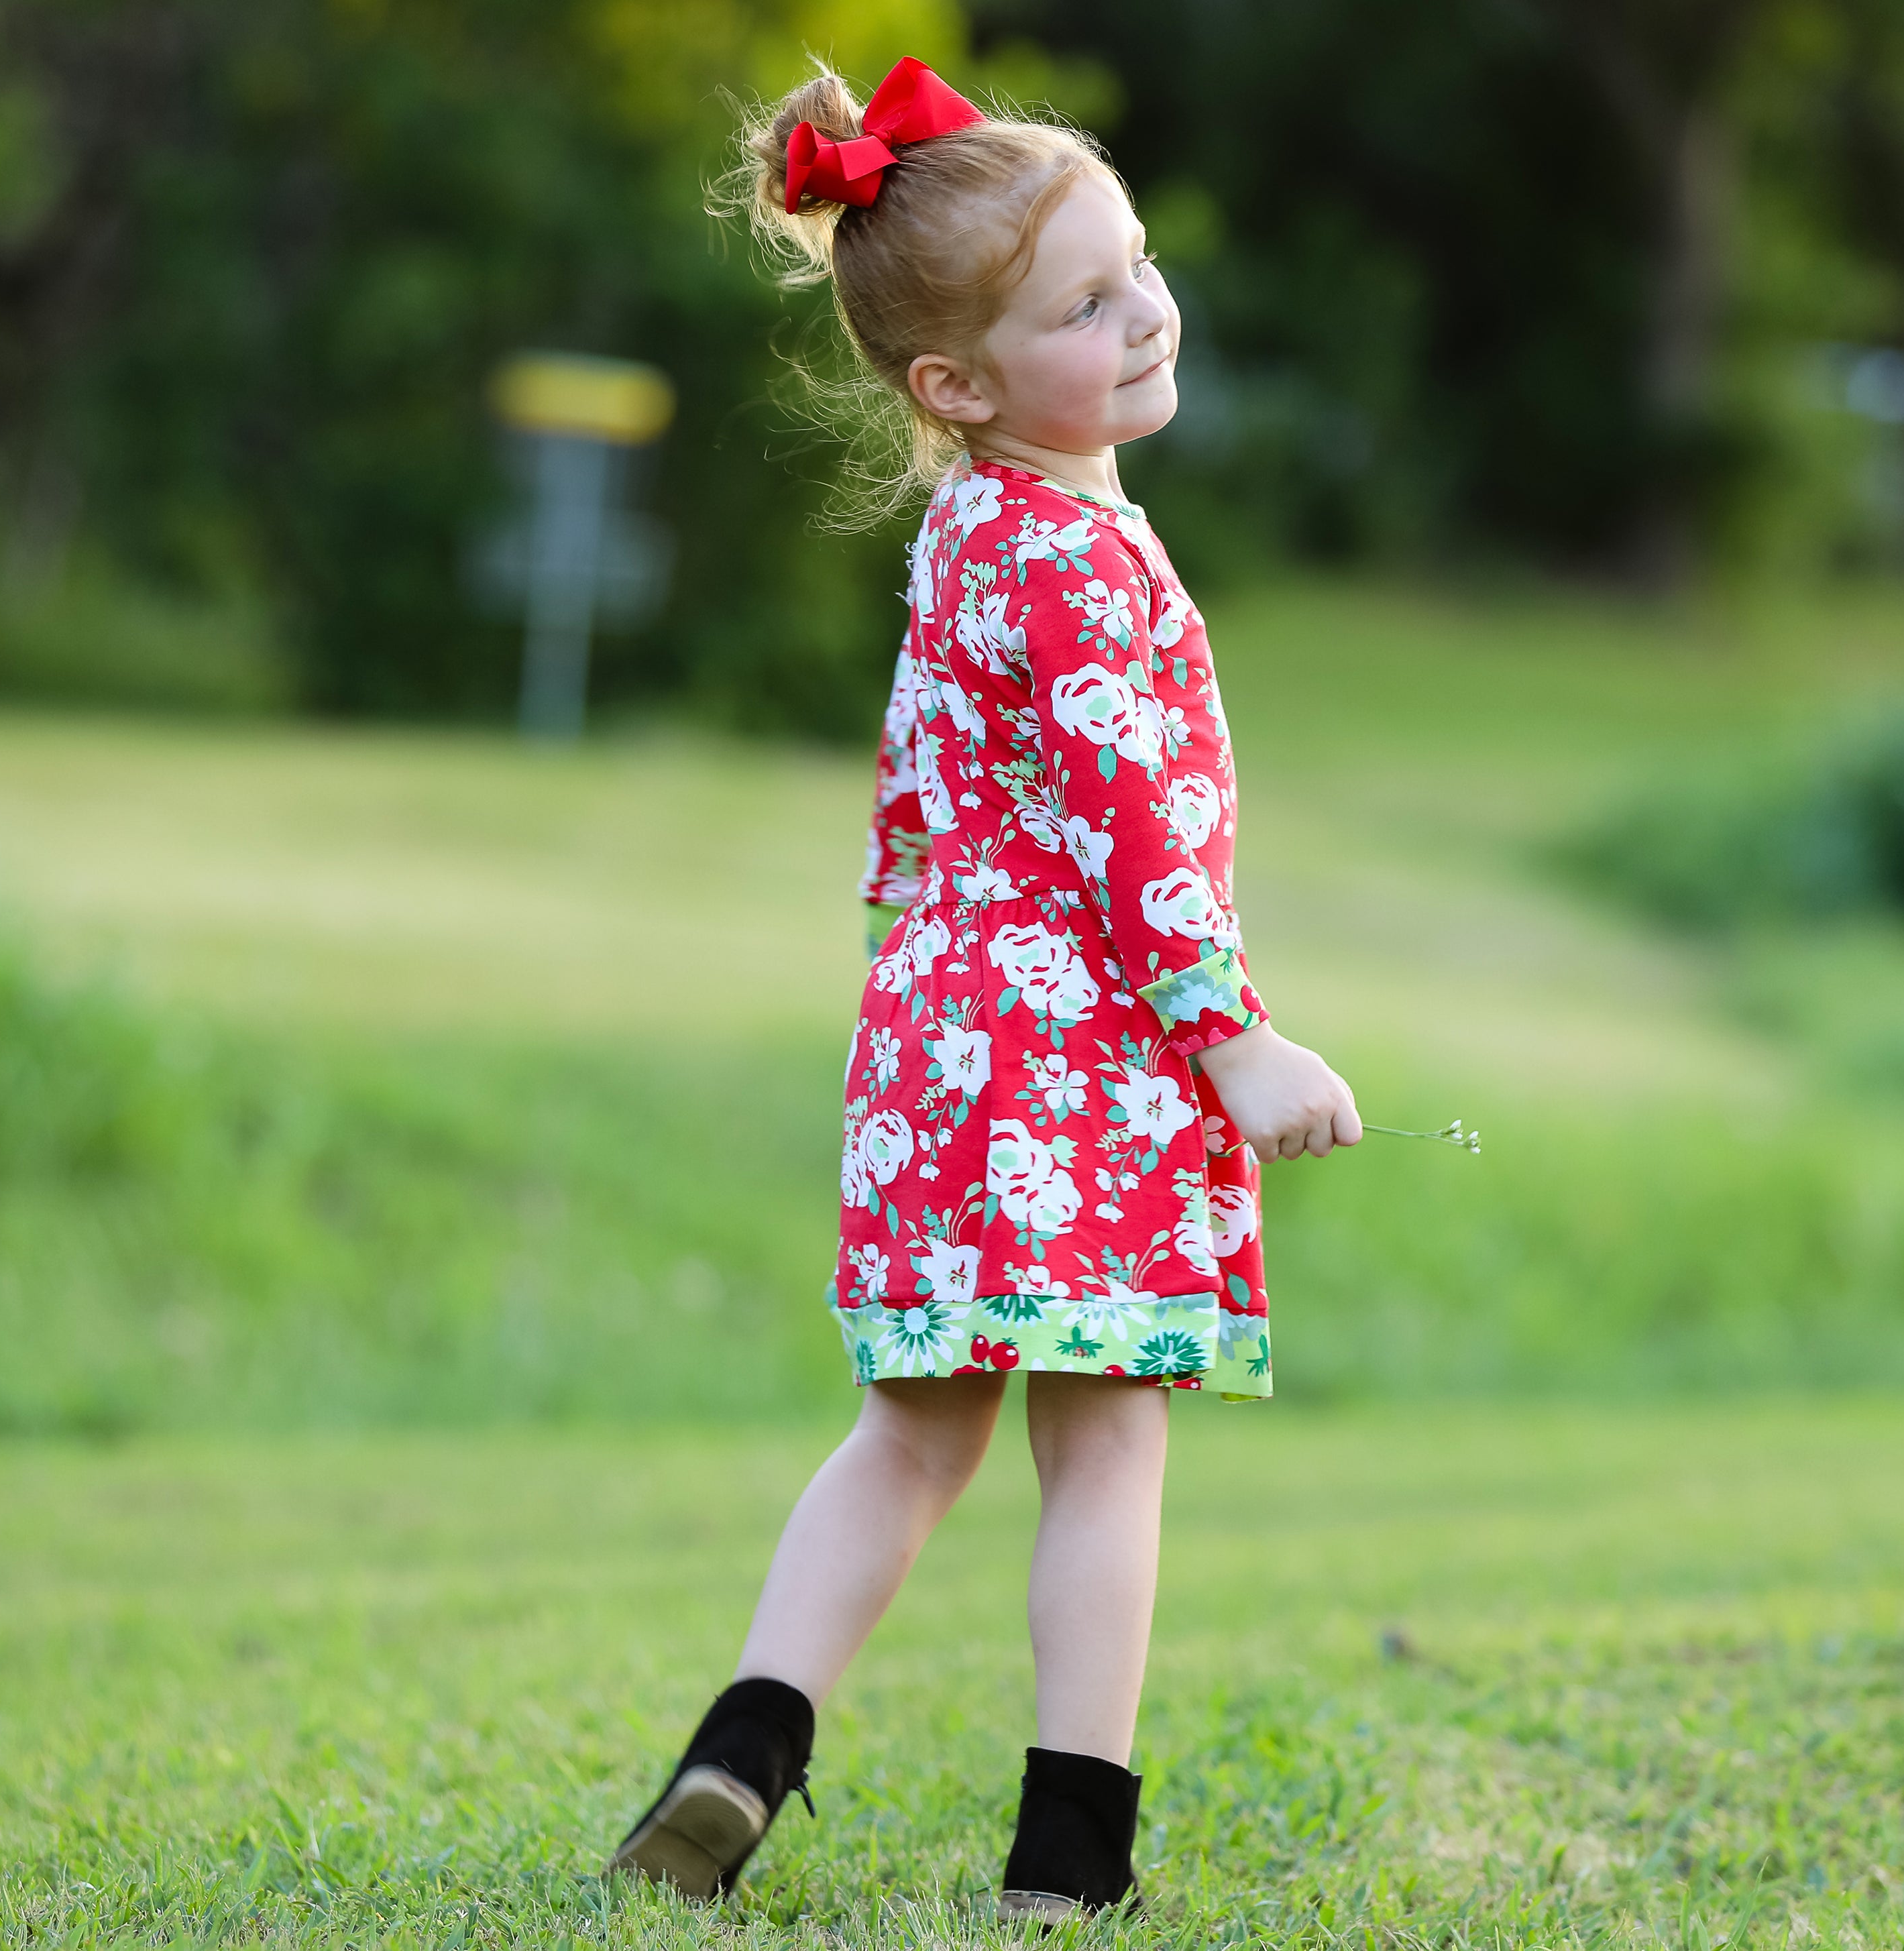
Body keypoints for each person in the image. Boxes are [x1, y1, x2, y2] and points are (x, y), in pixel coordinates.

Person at [607, 55, 1363, 1923]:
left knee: (911, 1434)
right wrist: (1236, 1041)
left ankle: (749, 1743)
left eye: (1139, 266)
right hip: (1088, 1053)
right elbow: (1133, 837)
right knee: (1104, 1449)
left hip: (944, 1051)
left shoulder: (974, 532)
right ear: (953, 386)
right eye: (1085, 306)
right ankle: (1069, 1851)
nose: (1145, 313)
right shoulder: (1083, 564)